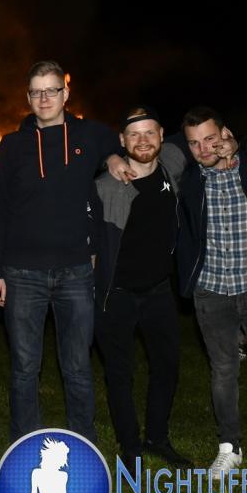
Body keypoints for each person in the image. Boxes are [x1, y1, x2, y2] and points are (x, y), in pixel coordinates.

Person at [0, 60, 121, 443]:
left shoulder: (89, 134)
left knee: (77, 367)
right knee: (24, 367)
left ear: (66, 93)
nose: (44, 98)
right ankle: (25, 442)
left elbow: (117, 142)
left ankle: (83, 441)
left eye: (52, 90)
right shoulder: (12, 145)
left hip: (76, 271)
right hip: (21, 273)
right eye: (37, 91)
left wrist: (113, 156)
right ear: (28, 97)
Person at [92, 106, 190, 472]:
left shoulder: (172, 165)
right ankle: (130, 447)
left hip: (159, 291)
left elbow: (199, 136)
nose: (143, 140)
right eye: (134, 134)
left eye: (150, 133)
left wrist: (227, 144)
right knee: (120, 373)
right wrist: (108, 157)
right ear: (122, 140)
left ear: (162, 135)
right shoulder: (104, 186)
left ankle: (157, 438)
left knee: (167, 366)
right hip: (115, 294)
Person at [177, 106, 247, 479]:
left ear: (225, 134)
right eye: (194, 143)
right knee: (223, 369)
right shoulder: (190, 181)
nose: (203, 149)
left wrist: (239, 147)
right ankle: (229, 447)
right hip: (212, 289)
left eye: (210, 138)